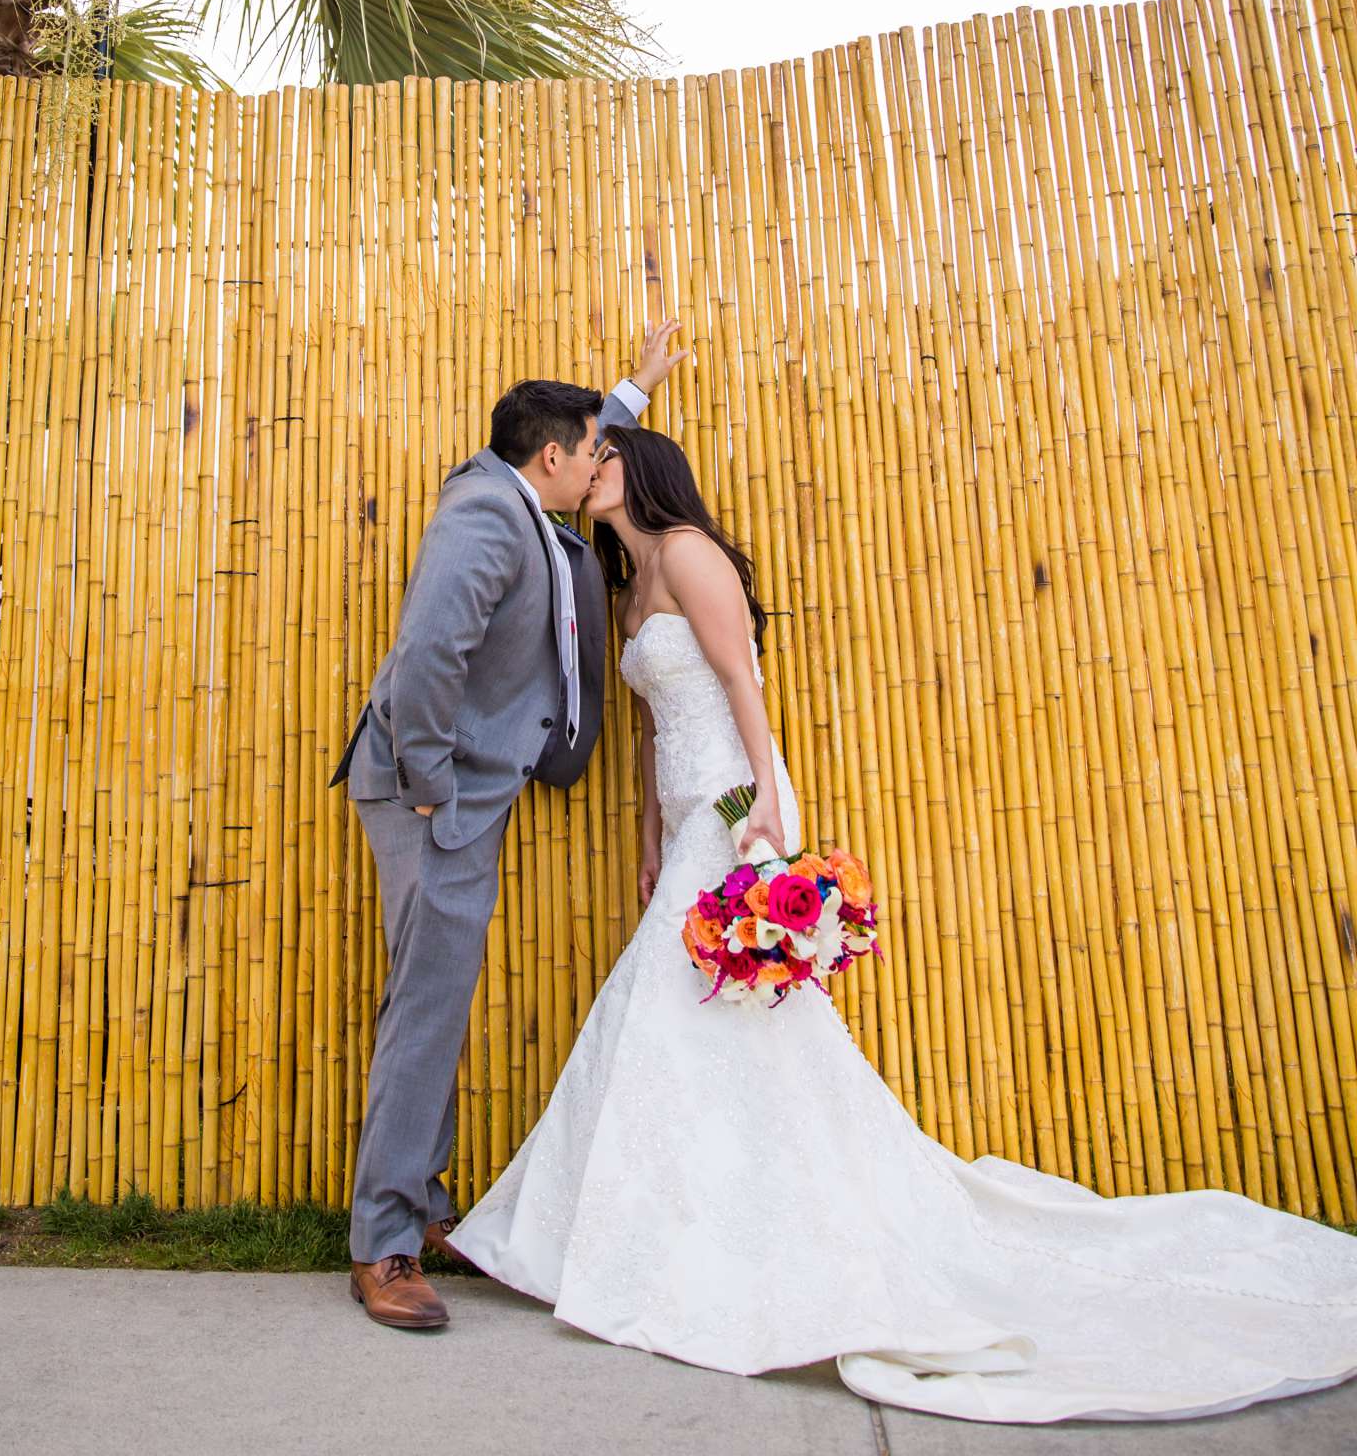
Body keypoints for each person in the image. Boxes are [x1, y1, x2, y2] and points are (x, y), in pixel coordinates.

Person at [448, 426, 1357, 1423]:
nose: (591, 467)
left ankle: (700, 1234)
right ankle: (691, 1221)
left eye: (607, 454)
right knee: (705, 1016)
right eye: (587, 453)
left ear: (644, 472)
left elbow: (741, 678)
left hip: (733, 804)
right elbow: (651, 726)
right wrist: (650, 838)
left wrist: (763, 811)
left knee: (706, 1007)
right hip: (681, 811)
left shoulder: (687, 554)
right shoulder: (627, 582)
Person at [331, 322, 686, 1329]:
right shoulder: (486, 517)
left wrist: (631, 390)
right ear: (552, 458)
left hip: (454, 793)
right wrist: (431, 782)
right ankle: (385, 1242)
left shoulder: (518, 486)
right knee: (425, 1011)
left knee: (431, 1002)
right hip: (431, 797)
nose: (599, 463)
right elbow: (431, 648)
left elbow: (586, 439)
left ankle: (419, 1205)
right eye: (591, 450)